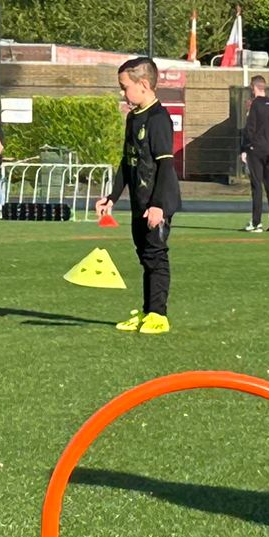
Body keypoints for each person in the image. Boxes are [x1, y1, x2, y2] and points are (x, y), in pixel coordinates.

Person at [95, 55, 180, 333]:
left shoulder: (158, 119)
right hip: (138, 201)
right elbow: (127, 160)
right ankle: (148, 312)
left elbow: (166, 165)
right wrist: (112, 196)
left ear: (143, 84)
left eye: (124, 87)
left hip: (156, 202)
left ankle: (160, 315)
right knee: (144, 255)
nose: (123, 93)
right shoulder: (133, 117)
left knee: (156, 254)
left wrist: (158, 205)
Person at [240, 75, 269, 233]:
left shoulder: (255, 105)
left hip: (257, 150)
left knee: (257, 186)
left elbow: (250, 128)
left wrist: (244, 148)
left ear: (254, 87)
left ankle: (257, 222)